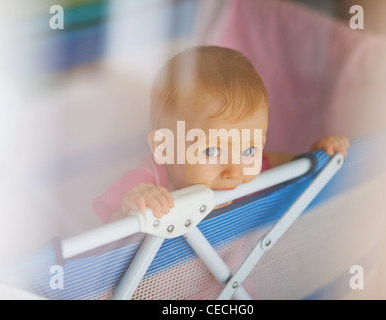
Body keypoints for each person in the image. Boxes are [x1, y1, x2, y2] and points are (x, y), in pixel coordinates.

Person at [92, 46, 349, 223]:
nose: (234, 172)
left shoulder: (246, 171)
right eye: (212, 151)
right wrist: (138, 202)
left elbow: (294, 166)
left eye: (249, 150)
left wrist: (317, 154)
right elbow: (114, 235)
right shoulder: (148, 179)